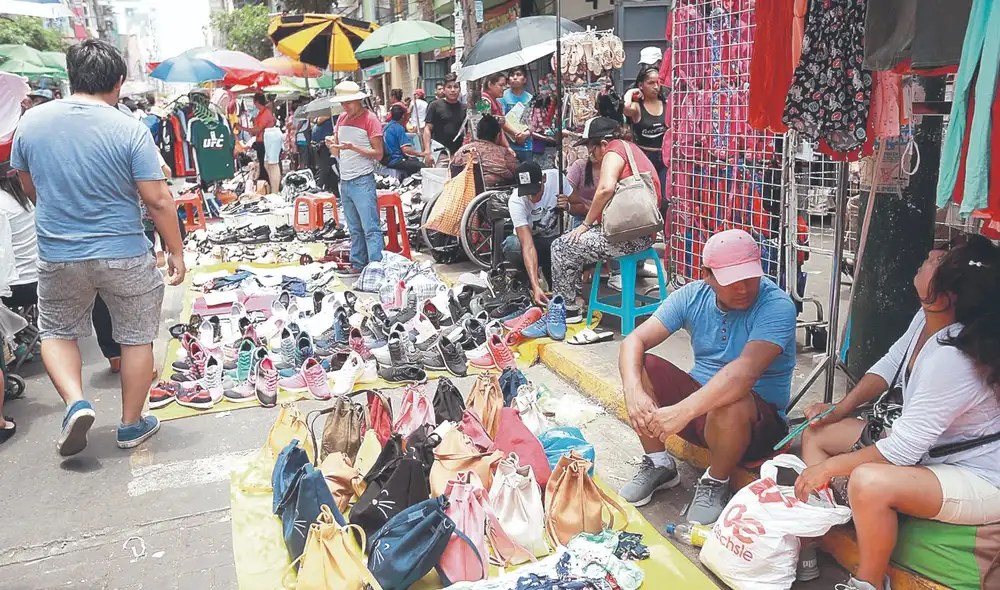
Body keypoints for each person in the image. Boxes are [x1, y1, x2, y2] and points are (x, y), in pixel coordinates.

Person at [10, 39, 186, 456]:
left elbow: (29, 186)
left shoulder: (31, 122)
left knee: (57, 332)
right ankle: (131, 424)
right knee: (136, 337)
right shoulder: (129, 127)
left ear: (72, 76)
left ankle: (76, 402)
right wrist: (176, 251)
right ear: (119, 81)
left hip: (59, 253)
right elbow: (158, 200)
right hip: (123, 251)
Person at [797, 237, 1000, 590]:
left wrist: (827, 469)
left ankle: (869, 581)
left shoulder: (954, 359)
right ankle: (821, 533)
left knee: (868, 481)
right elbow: (892, 362)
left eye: (938, 261)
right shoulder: (928, 320)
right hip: (932, 451)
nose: (929, 256)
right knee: (816, 432)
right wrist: (839, 410)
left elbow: (902, 451)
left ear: (948, 296)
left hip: (980, 478)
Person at [617, 228, 796, 524]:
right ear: (707, 276)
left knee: (732, 397)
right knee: (641, 364)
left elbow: (743, 374)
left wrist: (682, 411)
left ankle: (716, 481)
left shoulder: (776, 306)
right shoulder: (692, 296)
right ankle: (659, 464)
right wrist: (633, 390)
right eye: (732, 280)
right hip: (701, 417)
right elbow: (633, 341)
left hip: (756, 427)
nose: (743, 288)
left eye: (750, 277)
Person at [550, 117, 663, 319]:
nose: (590, 155)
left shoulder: (614, 150)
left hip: (629, 237)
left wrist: (585, 225)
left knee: (561, 246)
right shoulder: (631, 149)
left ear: (603, 143)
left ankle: (567, 311)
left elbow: (605, 189)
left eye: (591, 149)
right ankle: (574, 300)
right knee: (572, 243)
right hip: (642, 234)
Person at [325, 80, 384, 276]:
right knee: (354, 228)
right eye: (343, 102)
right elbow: (337, 152)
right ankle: (358, 264)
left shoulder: (370, 119)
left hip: (362, 179)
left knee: (370, 227)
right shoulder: (341, 119)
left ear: (358, 100)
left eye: (348, 102)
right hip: (345, 180)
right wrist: (332, 145)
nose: (345, 106)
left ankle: (376, 267)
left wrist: (354, 147)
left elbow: (378, 154)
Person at [504, 161, 572, 305]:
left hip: (554, 240)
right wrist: (535, 286)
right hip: (533, 243)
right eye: (527, 193)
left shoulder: (556, 179)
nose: (532, 198)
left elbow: (582, 207)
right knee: (512, 245)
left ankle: (551, 278)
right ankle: (531, 280)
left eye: (535, 191)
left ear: (544, 179)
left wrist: (568, 206)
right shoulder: (516, 201)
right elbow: (527, 245)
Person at [624, 65, 667, 201]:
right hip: (645, 158)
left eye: (658, 83)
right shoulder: (637, 107)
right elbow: (625, 108)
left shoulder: (666, 104)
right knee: (648, 197)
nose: (656, 87)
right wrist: (631, 92)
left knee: (665, 198)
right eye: (651, 83)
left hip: (665, 158)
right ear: (641, 85)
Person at [451, 114, 518, 187]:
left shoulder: (463, 150)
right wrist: (506, 146)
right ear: (498, 135)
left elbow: (453, 168)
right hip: (493, 189)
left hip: (463, 188)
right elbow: (516, 171)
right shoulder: (503, 152)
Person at [424, 73, 467, 164]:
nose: (453, 90)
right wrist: (427, 151)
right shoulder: (435, 105)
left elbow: (468, 132)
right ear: (444, 89)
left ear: (460, 89)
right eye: (449, 87)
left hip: (459, 154)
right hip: (440, 153)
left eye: (456, 87)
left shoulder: (464, 108)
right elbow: (427, 128)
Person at [500, 67, 535, 163]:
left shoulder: (530, 98)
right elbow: (500, 121)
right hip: (507, 145)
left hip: (526, 146)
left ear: (525, 79)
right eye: (512, 75)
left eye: (518, 75)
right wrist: (516, 134)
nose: (515, 77)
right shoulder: (502, 96)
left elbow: (535, 122)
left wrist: (525, 134)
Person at [383, 104, 427, 177]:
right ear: (403, 116)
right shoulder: (398, 128)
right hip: (395, 160)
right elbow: (406, 149)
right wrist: (421, 154)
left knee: (414, 161)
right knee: (422, 166)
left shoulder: (386, 127)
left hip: (387, 160)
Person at [564, 153, 601, 227]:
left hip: (608, 215)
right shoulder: (580, 166)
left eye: (597, 147)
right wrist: (585, 208)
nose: (592, 151)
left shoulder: (613, 167)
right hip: (583, 216)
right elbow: (567, 190)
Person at [247, 92, 276, 183]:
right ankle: (264, 183)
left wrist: (243, 128)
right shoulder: (261, 113)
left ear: (257, 102)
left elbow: (258, 129)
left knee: (265, 165)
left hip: (265, 142)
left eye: (254, 101)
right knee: (262, 164)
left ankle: (266, 183)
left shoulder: (265, 113)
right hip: (261, 141)